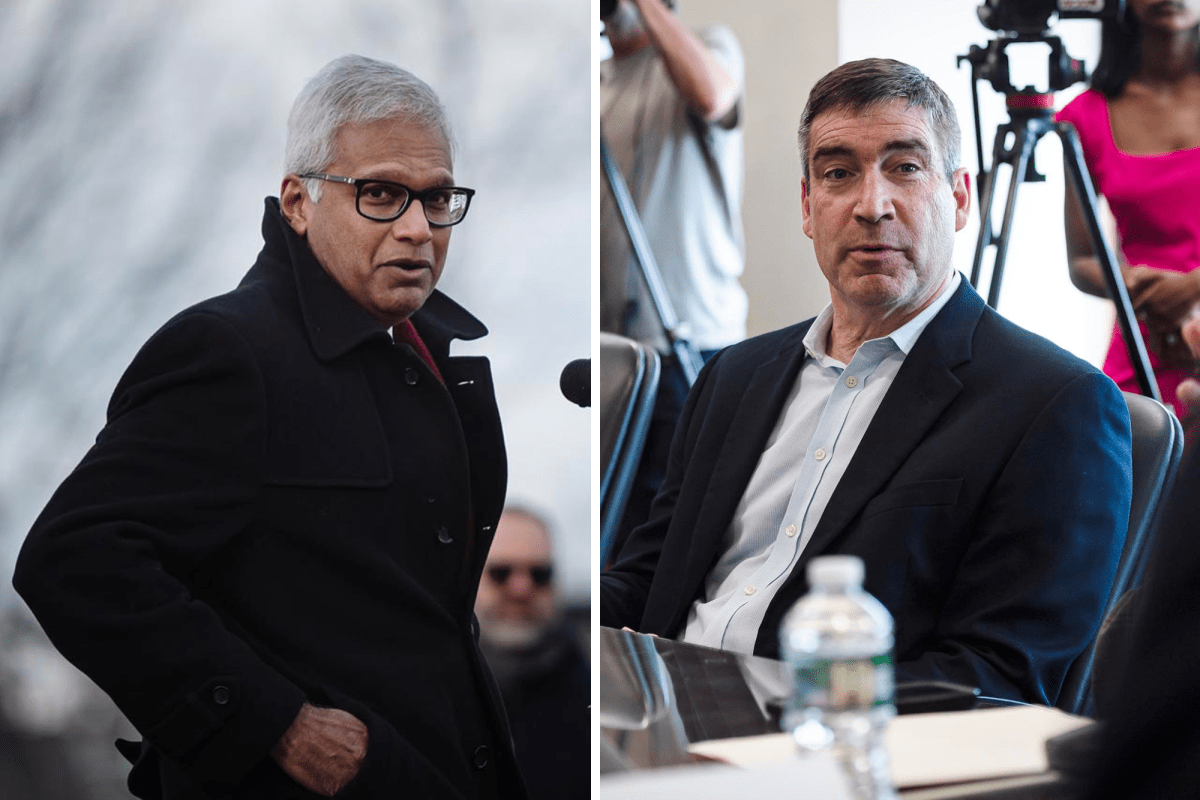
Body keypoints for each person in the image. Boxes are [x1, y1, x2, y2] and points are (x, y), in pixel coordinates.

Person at [12, 55, 525, 799]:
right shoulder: (230, 350)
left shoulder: (428, 357)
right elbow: (72, 558)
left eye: (438, 197)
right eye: (381, 193)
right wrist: (275, 724)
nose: (418, 228)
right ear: (298, 202)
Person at [600, 58, 1133, 706]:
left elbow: (1002, 678)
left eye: (905, 168)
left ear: (960, 196)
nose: (870, 205)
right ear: (807, 205)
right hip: (658, 727)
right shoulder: (732, 377)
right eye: (838, 173)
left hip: (832, 748)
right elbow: (645, 580)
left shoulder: (1055, 405)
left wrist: (787, 714)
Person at [599, 0, 747, 546]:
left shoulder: (708, 49)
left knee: (681, 535)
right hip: (617, 354)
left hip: (693, 344)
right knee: (619, 538)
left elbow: (712, 97)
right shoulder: (596, 83)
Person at [1057, 0, 1200, 418]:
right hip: (1144, 341)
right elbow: (1082, 261)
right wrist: (1141, 287)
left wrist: (1191, 289)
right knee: (1131, 469)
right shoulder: (1083, 117)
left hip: (1170, 315)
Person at [475, 506, 589, 800]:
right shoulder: (422, 691)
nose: (521, 588)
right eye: (500, 573)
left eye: (540, 574)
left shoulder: (594, 689)